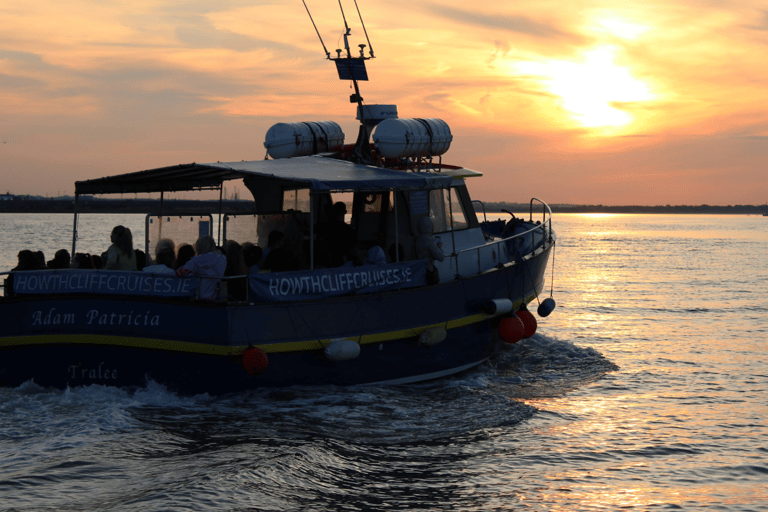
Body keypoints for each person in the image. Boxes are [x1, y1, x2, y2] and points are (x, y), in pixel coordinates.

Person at [175, 235, 226, 300]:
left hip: (199, 297)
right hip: (216, 296)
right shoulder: (222, 258)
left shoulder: (197, 260)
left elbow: (179, 272)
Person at [317, 201, 355, 267]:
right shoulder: (348, 230)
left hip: (327, 262)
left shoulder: (325, 227)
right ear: (344, 212)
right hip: (341, 263)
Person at [414, 217, 445, 285]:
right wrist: (440, 248)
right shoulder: (429, 240)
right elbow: (441, 257)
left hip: (420, 271)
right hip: (429, 272)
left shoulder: (418, 239)